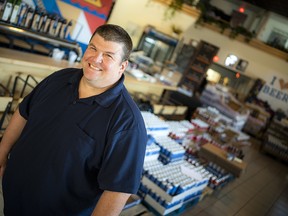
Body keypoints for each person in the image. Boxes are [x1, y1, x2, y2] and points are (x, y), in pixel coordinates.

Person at [0, 24, 147, 216]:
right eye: (93, 48)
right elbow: (23, 112)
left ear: (122, 66)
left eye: (108, 55)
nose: (96, 59)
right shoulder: (59, 79)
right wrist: (2, 152)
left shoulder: (128, 124)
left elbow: (117, 190)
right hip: (11, 199)